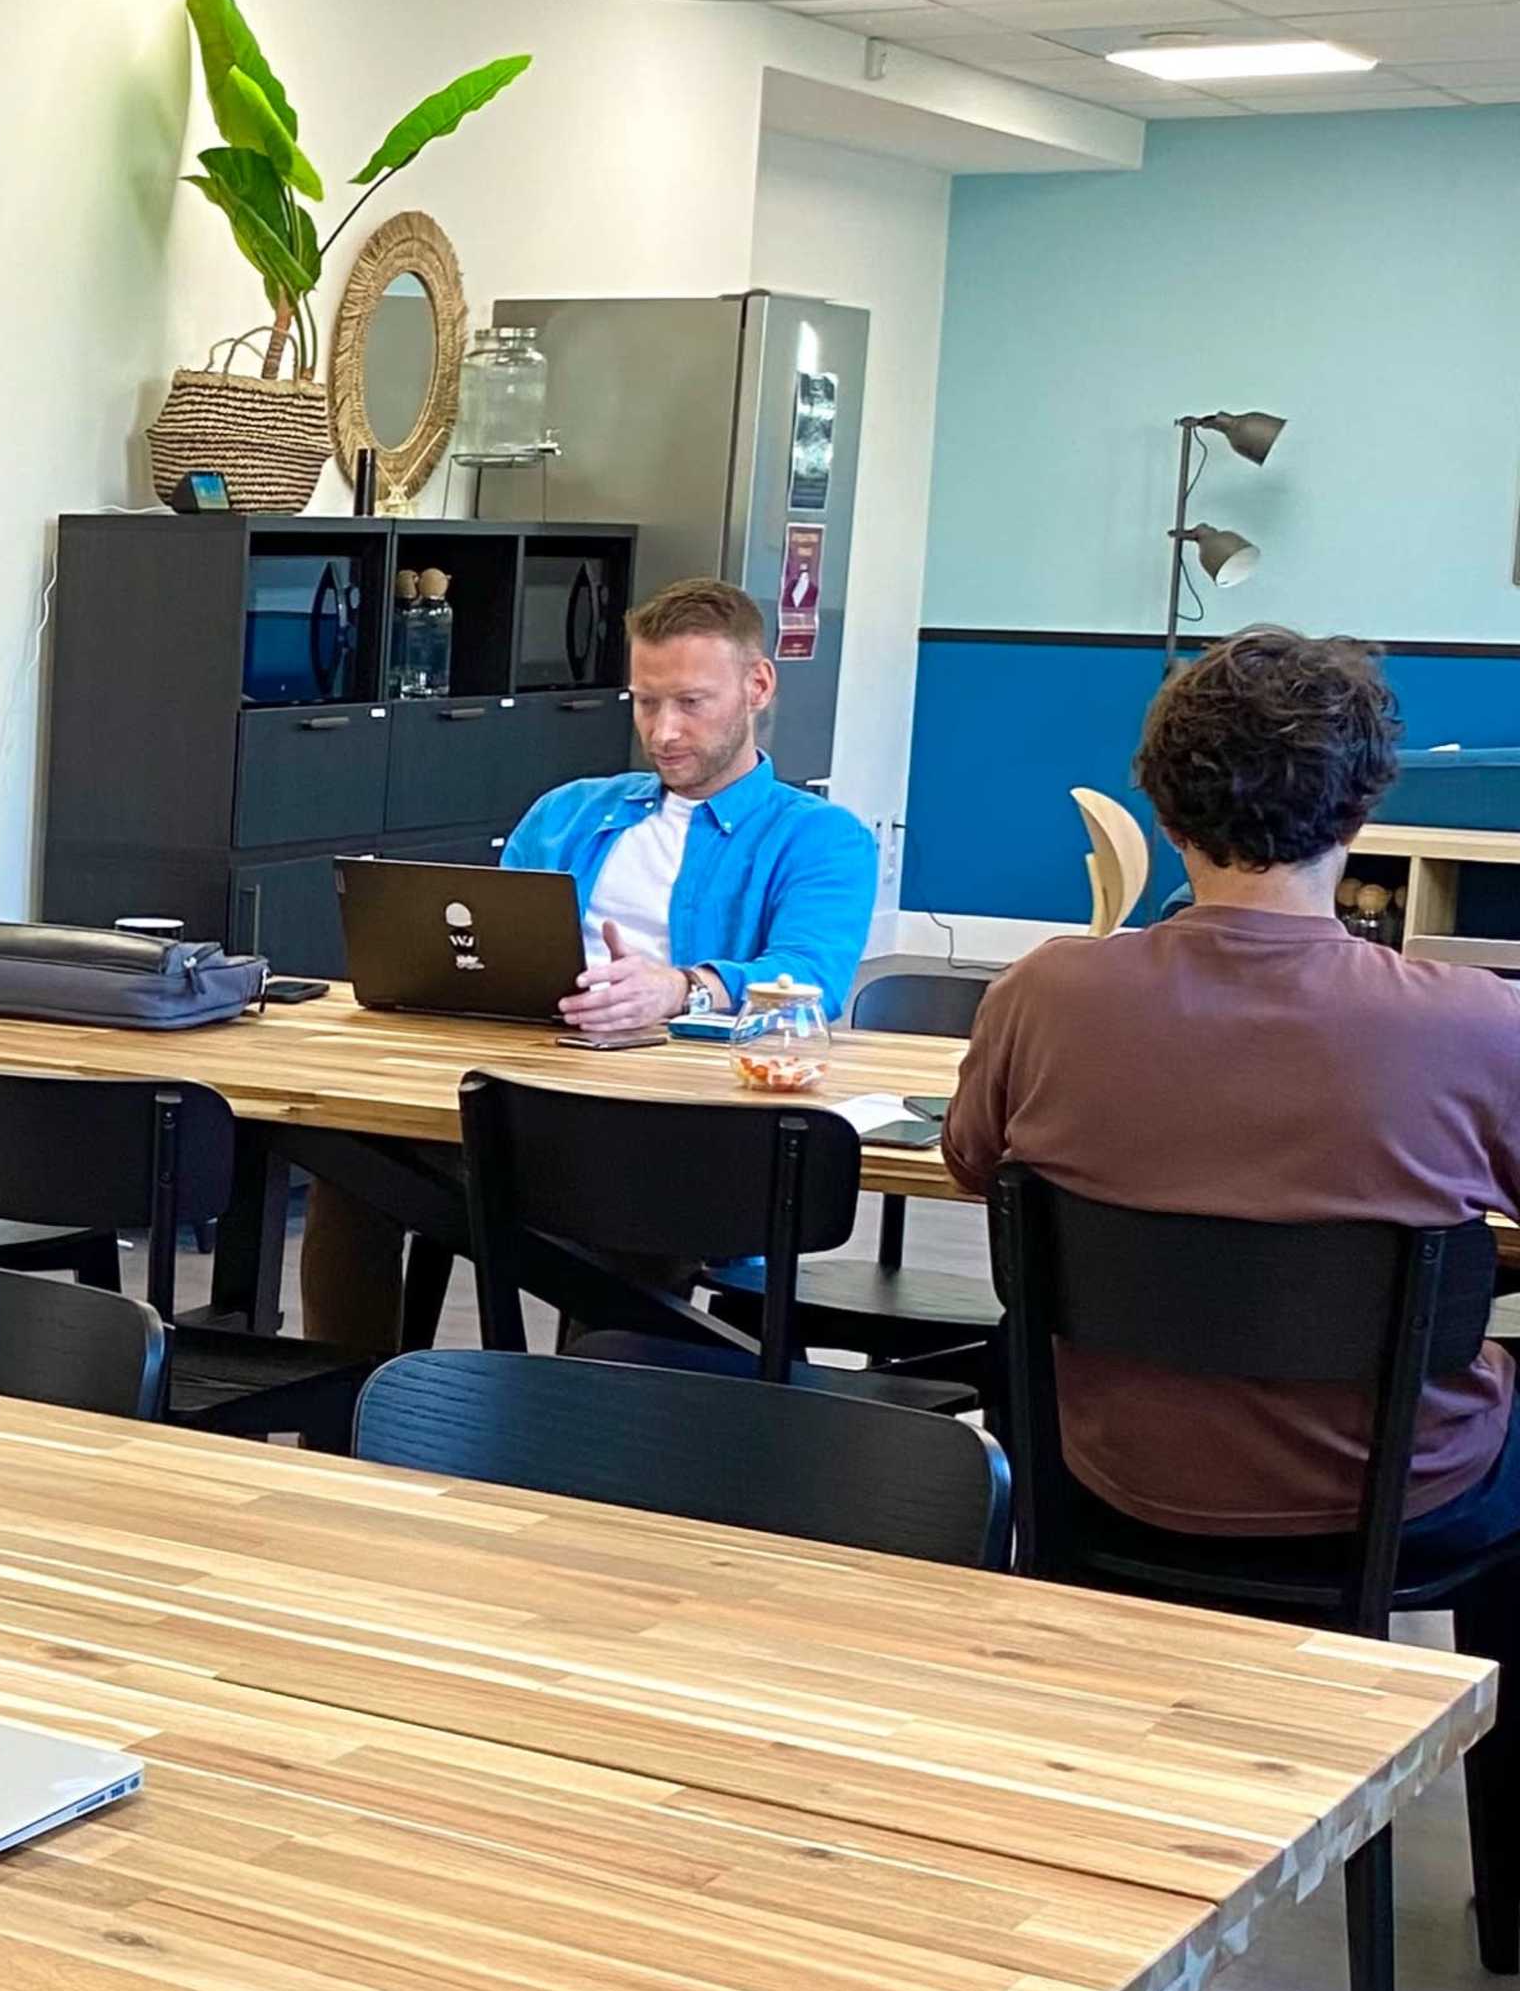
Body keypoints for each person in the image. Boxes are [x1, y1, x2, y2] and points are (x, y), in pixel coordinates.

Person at [943, 625, 1520, 1580]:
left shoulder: (1039, 995)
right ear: (1361, 813)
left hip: (1108, 1472)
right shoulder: (1478, 1024)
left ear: (1166, 813)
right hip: (1407, 1494)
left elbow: (971, 1165)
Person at [299, 573, 880, 1349]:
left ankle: (586, 1432)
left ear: (758, 686)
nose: (664, 730)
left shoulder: (820, 838)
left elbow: (810, 979)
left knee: (631, 1209)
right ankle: (347, 1423)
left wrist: (675, 989)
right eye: (645, 702)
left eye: (691, 703)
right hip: (524, 1110)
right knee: (351, 1158)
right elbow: (488, 957)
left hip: (680, 1137)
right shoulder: (569, 811)